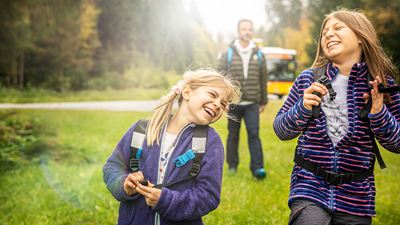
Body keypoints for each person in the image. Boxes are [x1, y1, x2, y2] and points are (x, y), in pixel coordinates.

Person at [273, 8, 400, 225]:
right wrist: (302, 108)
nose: (328, 34)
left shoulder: (380, 84)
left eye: (338, 28)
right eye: (324, 32)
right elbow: (281, 129)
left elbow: (397, 143)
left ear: (361, 36)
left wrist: (378, 113)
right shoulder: (308, 79)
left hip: (357, 196)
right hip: (309, 186)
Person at [103, 68, 240, 225]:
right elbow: (112, 167)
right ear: (187, 92)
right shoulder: (141, 131)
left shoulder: (210, 142)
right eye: (212, 95)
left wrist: (166, 200)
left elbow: (208, 196)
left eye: (223, 104)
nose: (217, 105)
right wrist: (124, 184)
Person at [218, 19, 268, 179]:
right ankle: (232, 165)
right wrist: (223, 101)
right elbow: (221, 78)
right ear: (238, 32)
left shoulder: (259, 54)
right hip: (234, 103)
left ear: (252, 32)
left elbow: (263, 78)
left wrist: (263, 101)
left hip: (252, 103)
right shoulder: (228, 53)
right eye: (244, 29)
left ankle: (257, 168)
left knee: (254, 134)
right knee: (233, 135)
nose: (247, 31)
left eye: (250, 29)